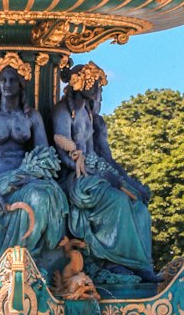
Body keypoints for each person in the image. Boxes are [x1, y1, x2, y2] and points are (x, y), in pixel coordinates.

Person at [0, 55, 67, 276]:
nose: (7, 85)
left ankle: (27, 263)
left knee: (41, 198)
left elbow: (45, 156)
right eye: (3, 80)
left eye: (12, 80)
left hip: (25, 181)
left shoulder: (32, 116)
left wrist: (26, 176)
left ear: (21, 84)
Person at [51, 63, 155, 281]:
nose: (100, 94)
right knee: (117, 201)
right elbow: (62, 154)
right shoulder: (63, 111)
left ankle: (141, 266)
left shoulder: (93, 118)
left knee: (139, 206)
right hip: (78, 177)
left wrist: (128, 181)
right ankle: (115, 262)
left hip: (99, 174)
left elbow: (108, 159)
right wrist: (90, 170)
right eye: (98, 88)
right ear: (85, 86)